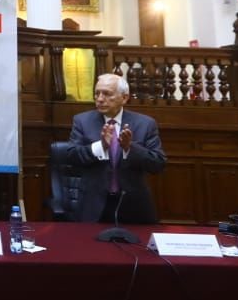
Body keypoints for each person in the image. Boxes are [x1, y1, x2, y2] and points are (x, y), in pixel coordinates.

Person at [65, 73, 166, 224]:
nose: (99, 99)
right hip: (94, 206)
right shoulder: (82, 121)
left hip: (134, 207)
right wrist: (101, 146)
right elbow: (71, 156)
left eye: (107, 94)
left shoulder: (145, 124)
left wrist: (129, 148)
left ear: (124, 98)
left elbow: (158, 163)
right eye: (97, 93)